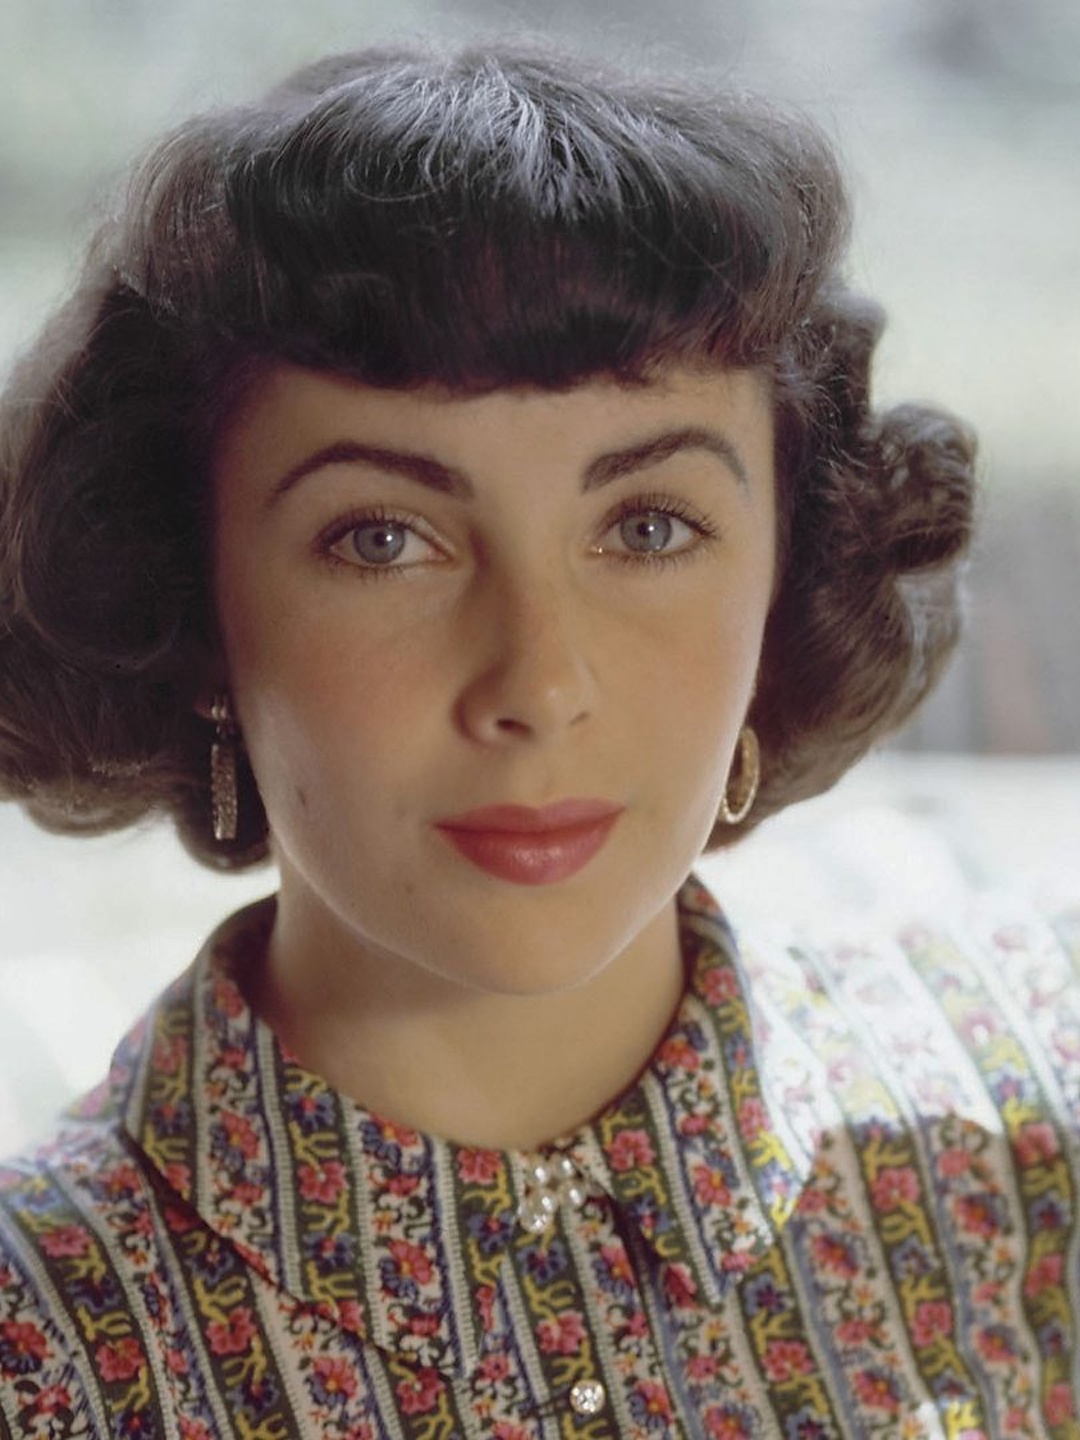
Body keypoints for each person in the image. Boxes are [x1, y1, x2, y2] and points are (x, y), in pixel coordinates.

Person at [0, 40, 1074, 1440]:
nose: (540, 685)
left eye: (649, 527)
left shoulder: (1025, 1136)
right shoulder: (39, 1353)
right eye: (384, 540)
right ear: (194, 610)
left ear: (785, 574)